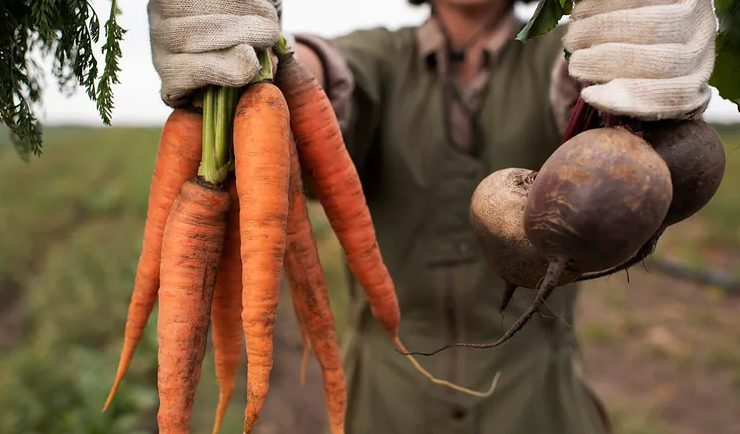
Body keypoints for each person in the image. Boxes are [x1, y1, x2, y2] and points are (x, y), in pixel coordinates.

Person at [147, 0, 717, 432]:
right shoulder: (381, 56)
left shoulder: (555, 53)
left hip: (537, 400)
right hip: (385, 402)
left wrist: (627, 61)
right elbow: (333, 75)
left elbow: (578, 88)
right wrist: (261, 60)